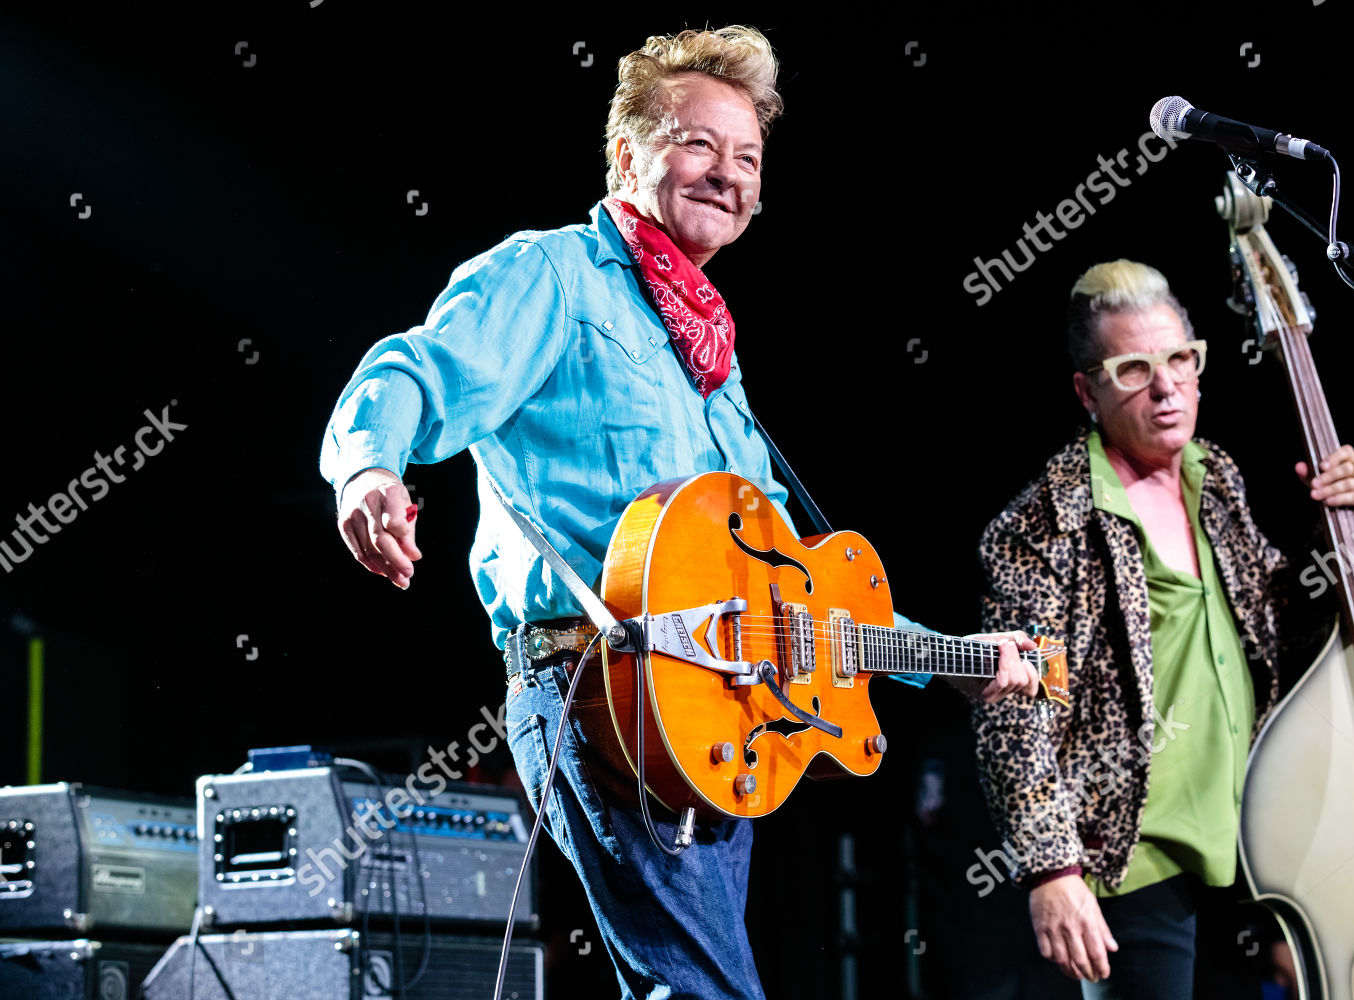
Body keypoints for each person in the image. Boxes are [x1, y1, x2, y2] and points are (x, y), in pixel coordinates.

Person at [319, 26, 1038, 1000]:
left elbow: (796, 582)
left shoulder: (710, 353)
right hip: (602, 690)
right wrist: (368, 470)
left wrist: (949, 658)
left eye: (747, 158)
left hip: (716, 718)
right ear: (628, 154)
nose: (728, 175)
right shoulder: (555, 276)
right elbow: (414, 370)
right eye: (699, 145)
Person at [970, 260, 1354, 998]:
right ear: (1086, 391)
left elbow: (1282, 626)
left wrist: (1339, 538)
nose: (1165, 388)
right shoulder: (1042, 524)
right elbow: (1012, 711)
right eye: (1133, 369)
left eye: (1181, 360)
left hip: (1252, 847)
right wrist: (1053, 871)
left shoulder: (1213, 473)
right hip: (1134, 860)